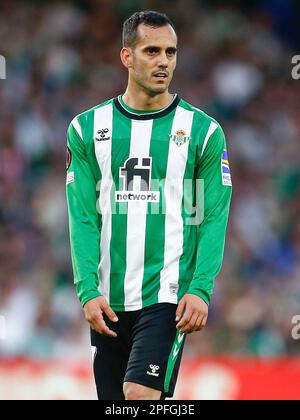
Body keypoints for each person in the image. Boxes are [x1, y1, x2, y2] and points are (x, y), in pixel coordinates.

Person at [66, 10, 232, 400]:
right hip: (108, 300)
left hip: (167, 295)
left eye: (171, 53)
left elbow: (212, 215)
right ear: (127, 57)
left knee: (139, 393)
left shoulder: (203, 132)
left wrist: (201, 288)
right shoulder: (87, 129)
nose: (164, 62)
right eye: (152, 51)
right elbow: (83, 217)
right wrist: (87, 290)